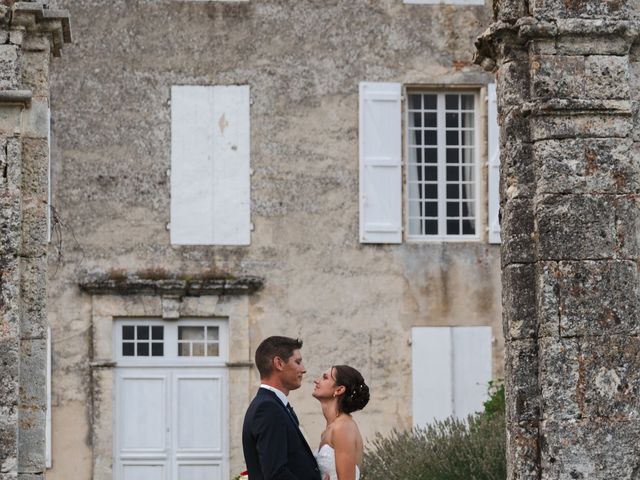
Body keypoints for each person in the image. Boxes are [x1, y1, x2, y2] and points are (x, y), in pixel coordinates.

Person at [242, 336, 322, 480]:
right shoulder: (267, 409)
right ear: (279, 363)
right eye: (298, 362)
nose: (303, 370)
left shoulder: (272, 405)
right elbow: (276, 474)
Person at [312, 365, 370, 480]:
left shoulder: (343, 427)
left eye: (325, 378)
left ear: (339, 390)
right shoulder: (329, 430)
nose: (316, 380)